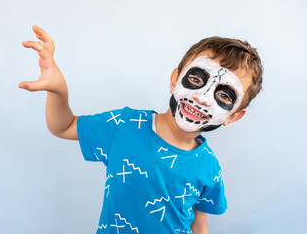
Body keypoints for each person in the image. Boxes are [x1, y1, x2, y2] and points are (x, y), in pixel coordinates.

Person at [19, 26, 263, 234]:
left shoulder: (209, 166)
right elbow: (63, 127)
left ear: (234, 116)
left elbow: (200, 225)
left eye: (223, 95)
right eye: (197, 79)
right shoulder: (123, 126)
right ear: (174, 79)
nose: (203, 98)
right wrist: (58, 90)